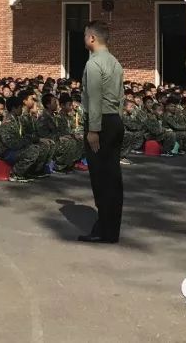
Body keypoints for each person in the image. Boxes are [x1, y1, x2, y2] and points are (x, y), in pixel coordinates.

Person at [78, 20, 125, 244]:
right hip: (114, 120)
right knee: (113, 177)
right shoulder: (115, 62)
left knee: (101, 178)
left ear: (93, 38)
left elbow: (94, 98)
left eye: (86, 35)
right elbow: (121, 96)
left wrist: (93, 129)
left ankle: (104, 230)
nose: (84, 38)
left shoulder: (94, 64)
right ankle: (110, 228)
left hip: (101, 124)